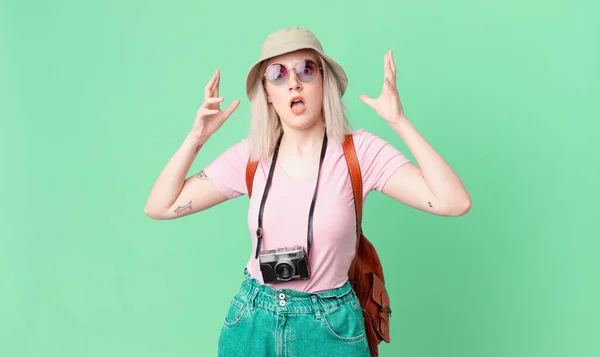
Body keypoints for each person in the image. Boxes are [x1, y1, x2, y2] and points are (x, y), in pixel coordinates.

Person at [144, 27, 471, 357]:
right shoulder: (252, 155)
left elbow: (453, 202)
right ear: (267, 93)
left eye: (306, 69)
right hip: (253, 319)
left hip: (329, 326)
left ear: (324, 81)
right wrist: (196, 137)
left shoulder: (360, 152)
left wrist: (400, 122)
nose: (293, 83)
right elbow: (160, 206)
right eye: (277, 73)